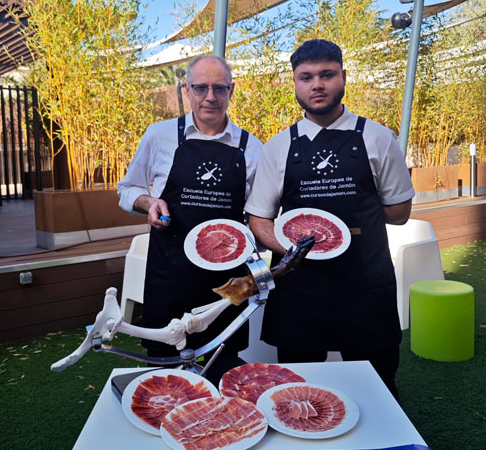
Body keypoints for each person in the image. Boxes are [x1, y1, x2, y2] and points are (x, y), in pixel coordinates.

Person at [245, 38, 414, 396]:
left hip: (367, 285)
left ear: (344, 77)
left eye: (326, 74)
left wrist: (354, 223)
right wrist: (297, 248)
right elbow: (258, 220)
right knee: (297, 391)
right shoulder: (278, 147)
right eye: (305, 77)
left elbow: (400, 212)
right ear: (295, 84)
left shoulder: (378, 138)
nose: (316, 84)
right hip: (300, 291)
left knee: (377, 387)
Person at [117, 54, 263, 377]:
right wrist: (147, 202)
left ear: (231, 91)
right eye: (201, 88)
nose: (210, 97)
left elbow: (259, 216)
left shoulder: (253, 148)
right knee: (164, 379)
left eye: (219, 88)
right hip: (170, 279)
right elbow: (127, 190)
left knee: (223, 376)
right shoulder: (158, 136)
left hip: (225, 286)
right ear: (186, 90)